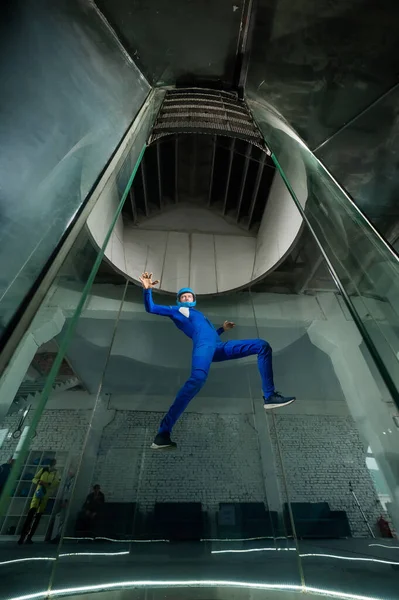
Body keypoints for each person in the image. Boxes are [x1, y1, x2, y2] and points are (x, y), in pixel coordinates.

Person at [139, 272, 296, 449]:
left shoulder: (199, 315)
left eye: (189, 296)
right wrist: (147, 290)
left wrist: (221, 329)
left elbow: (210, 335)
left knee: (262, 345)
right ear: (179, 300)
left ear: (194, 299)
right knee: (196, 380)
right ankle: (162, 433)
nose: (186, 298)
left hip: (218, 347)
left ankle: (270, 396)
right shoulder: (177, 310)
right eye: (183, 296)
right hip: (203, 349)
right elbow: (151, 308)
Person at [18, 459, 60, 545]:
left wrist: (48, 484)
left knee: (38, 517)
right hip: (37, 494)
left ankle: (29, 537)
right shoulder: (43, 470)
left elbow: (57, 482)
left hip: (45, 496)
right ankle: (22, 537)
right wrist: (39, 481)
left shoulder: (55, 472)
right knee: (30, 515)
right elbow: (34, 478)